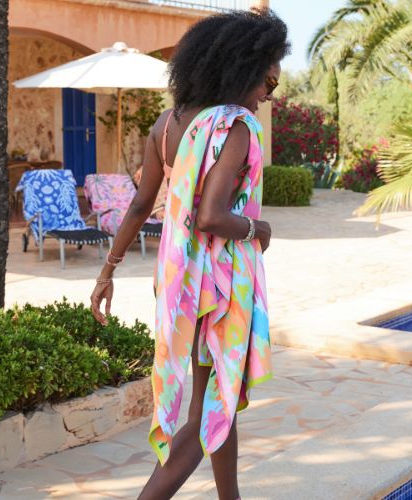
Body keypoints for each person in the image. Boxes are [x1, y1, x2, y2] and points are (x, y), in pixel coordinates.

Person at [90, 8, 290, 499]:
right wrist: (258, 229)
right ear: (242, 68)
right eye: (269, 80)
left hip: (178, 281)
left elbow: (140, 206)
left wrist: (107, 272)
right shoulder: (235, 128)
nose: (271, 93)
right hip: (217, 288)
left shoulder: (167, 124)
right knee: (206, 414)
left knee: (220, 401)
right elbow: (212, 217)